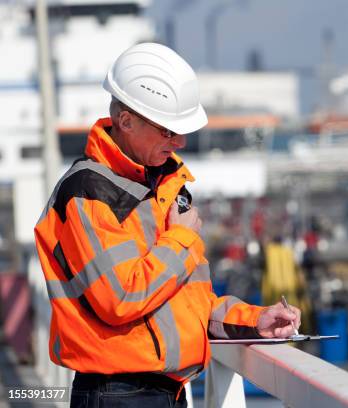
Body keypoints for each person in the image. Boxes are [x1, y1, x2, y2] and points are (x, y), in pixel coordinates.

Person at [34, 42, 301, 408]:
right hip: (118, 395)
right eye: (167, 131)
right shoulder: (88, 195)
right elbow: (123, 298)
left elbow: (191, 303)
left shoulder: (165, 188)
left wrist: (256, 320)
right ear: (126, 121)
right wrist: (180, 239)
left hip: (162, 393)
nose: (180, 141)